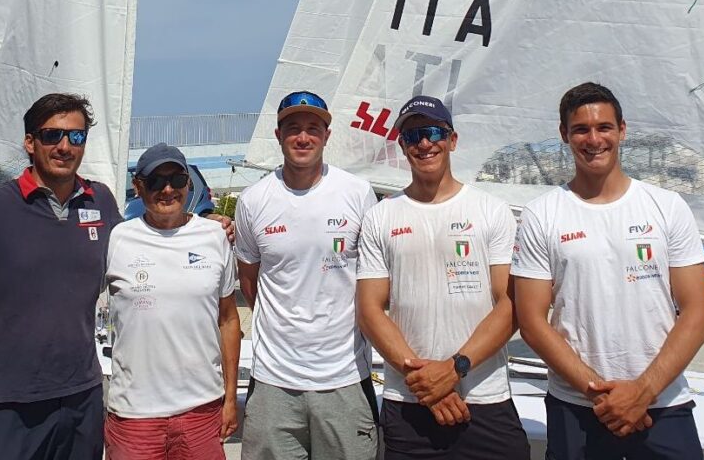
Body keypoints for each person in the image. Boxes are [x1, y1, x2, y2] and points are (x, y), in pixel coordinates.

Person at [511, 82, 704, 460]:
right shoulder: (542, 214)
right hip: (577, 405)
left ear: (622, 130)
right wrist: (601, 394)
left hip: (662, 402)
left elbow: (697, 314)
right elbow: (532, 321)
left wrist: (642, 392)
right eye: (581, 130)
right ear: (564, 135)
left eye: (604, 127)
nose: (594, 139)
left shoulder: (667, 207)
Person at [0, 93, 123, 459]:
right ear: (30, 142)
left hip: (80, 396)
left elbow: (146, 252)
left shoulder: (100, 201)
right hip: (6, 399)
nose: (64, 146)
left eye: (76, 137)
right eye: (51, 135)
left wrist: (208, 225)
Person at [355, 96, 531, 460]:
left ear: (452, 140)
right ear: (402, 146)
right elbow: (370, 310)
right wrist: (427, 384)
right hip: (409, 401)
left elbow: (510, 304)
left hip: (484, 396)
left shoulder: (491, 210)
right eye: (413, 135)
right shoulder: (380, 216)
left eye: (434, 132)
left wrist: (454, 370)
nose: (424, 143)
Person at [234, 91, 379, 459]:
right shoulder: (253, 200)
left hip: (344, 376)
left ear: (327, 135)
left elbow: (373, 281)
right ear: (279, 134)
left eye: (313, 128)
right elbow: (250, 282)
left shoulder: (358, 193)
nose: (303, 137)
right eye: (293, 128)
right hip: (273, 381)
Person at [103, 143, 241, 460]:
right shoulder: (118, 238)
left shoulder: (215, 235)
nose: (167, 190)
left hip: (202, 411)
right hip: (134, 415)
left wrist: (230, 399)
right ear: (139, 187)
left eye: (177, 180)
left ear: (188, 184)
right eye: (155, 181)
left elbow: (229, 319)